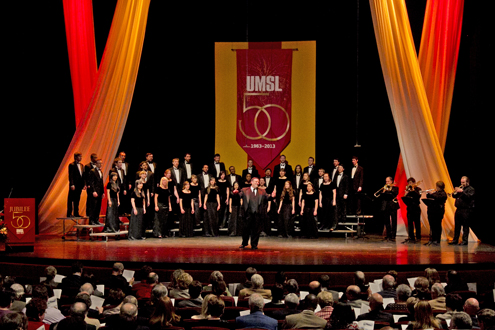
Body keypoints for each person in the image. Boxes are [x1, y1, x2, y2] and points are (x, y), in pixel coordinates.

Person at [239, 177, 267, 250]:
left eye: (258, 182)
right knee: (245, 230)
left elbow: (267, 198)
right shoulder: (245, 190)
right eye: (256, 181)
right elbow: (238, 196)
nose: (257, 183)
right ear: (251, 182)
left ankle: (254, 244)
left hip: (257, 213)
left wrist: (272, 196)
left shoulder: (262, 191)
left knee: (256, 230)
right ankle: (244, 243)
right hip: (247, 213)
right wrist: (234, 193)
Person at [450, 176, 475, 245]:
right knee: (457, 226)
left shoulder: (471, 189)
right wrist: (455, 192)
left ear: (467, 182)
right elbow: (454, 196)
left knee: (465, 226)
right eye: (461, 182)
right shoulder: (461, 188)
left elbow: (468, 197)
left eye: (463, 182)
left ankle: (464, 241)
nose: (462, 184)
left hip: (466, 210)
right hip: (458, 210)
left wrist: (462, 192)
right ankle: (455, 240)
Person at [376, 177, 400, 241]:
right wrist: (383, 192)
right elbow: (381, 196)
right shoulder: (384, 188)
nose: (387, 183)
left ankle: (393, 236)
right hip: (386, 206)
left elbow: (395, 194)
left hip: (393, 206)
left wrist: (389, 190)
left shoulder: (395, 188)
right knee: (387, 221)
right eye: (386, 181)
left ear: (392, 181)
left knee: (394, 221)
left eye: (388, 181)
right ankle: (388, 235)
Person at [425, 181, 448, 246]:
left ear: (439, 187)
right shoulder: (436, 192)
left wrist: (431, 194)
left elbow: (438, 198)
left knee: (437, 225)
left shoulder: (443, 193)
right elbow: (430, 197)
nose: (436, 188)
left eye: (437, 186)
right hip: (432, 211)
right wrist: (428, 193)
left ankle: (437, 240)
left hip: (438, 212)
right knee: (432, 225)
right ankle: (433, 239)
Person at [402, 177, 422, 243]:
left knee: (417, 223)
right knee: (410, 223)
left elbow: (419, 196)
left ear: (414, 183)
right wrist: (406, 193)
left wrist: (413, 190)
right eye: (408, 183)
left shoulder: (419, 189)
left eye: (410, 183)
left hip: (416, 208)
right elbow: (405, 198)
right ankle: (411, 237)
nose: (409, 184)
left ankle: (418, 237)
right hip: (410, 208)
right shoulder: (408, 190)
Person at [86, 159, 104, 225]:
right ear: (96, 164)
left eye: (101, 163)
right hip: (94, 192)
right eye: (99, 163)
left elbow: (101, 183)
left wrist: (103, 192)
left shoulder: (101, 172)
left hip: (99, 192)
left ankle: (96, 220)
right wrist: (93, 191)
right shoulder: (92, 171)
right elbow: (91, 182)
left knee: (98, 206)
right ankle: (91, 220)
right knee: (93, 206)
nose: (100, 165)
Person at [67, 152, 85, 218]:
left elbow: (83, 176)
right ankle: (69, 213)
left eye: (81, 156)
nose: (80, 158)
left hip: (79, 185)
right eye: (79, 156)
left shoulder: (81, 165)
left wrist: (84, 184)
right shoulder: (72, 165)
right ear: (75, 157)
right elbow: (71, 175)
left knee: (77, 199)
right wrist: (72, 184)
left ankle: (76, 213)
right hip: (74, 185)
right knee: (71, 199)